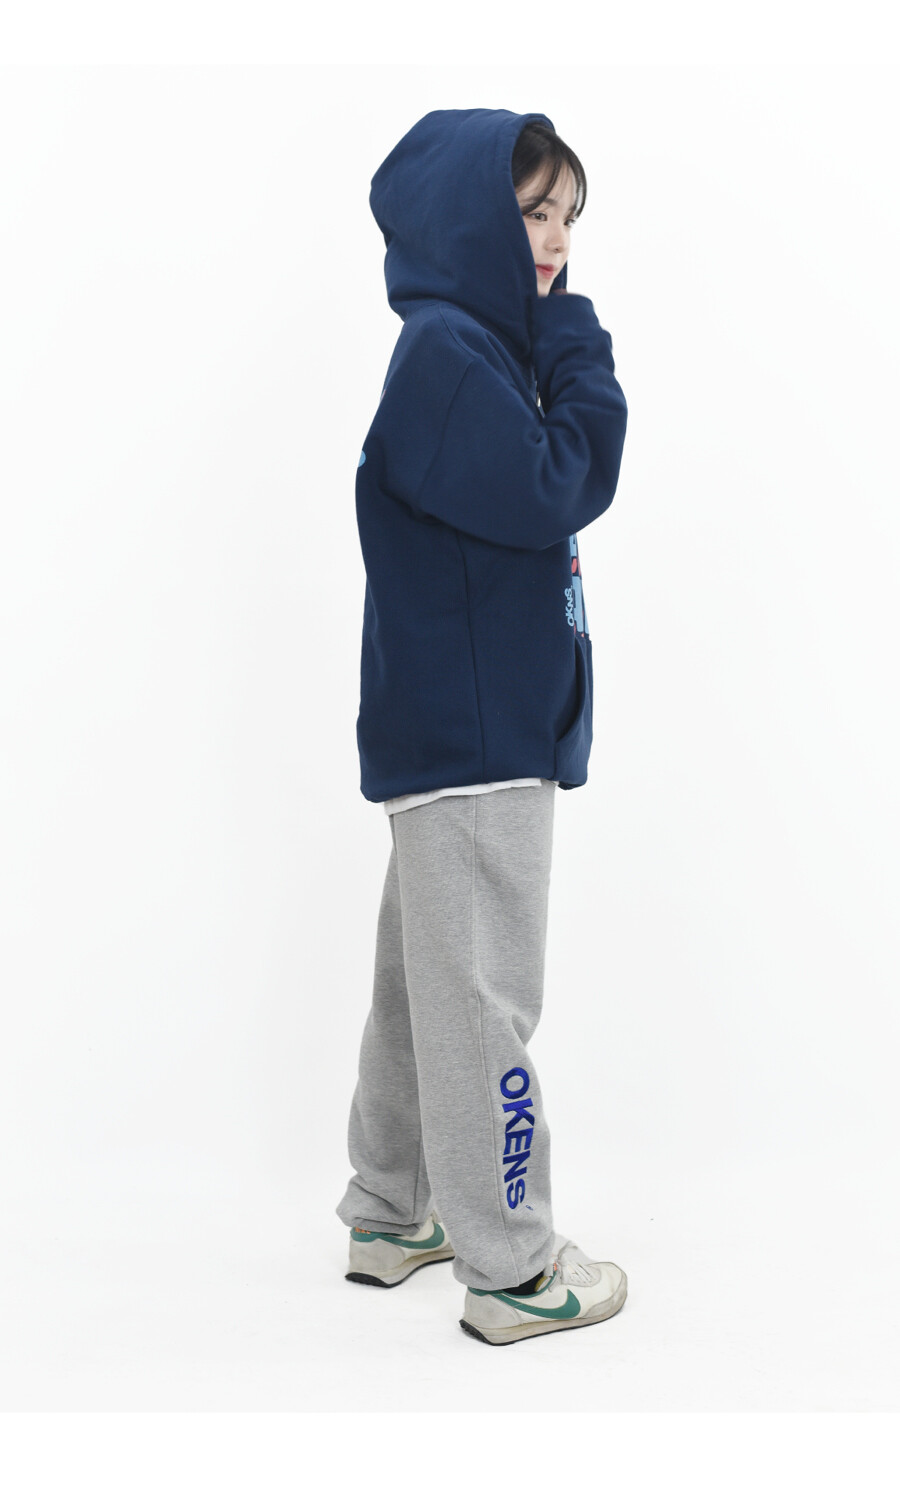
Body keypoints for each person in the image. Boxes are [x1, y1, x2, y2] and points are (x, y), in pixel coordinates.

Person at [335, 107, 629, 1345]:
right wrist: (575, 339)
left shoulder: (461, 356)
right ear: (470, 223)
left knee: (424, 996)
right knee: (485, 998)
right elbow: (567, 477)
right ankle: (510, 1266)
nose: (555, 241)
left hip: (457, 736)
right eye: (531, 213)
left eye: (568, 218)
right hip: (475, 747)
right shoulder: (455, 358)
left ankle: (393, 1208)